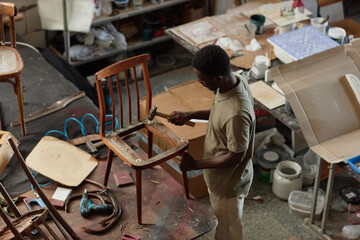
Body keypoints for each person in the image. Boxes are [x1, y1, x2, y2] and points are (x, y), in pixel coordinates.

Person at [167, 45, 255, 240]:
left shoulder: (236, 114)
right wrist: (190, 114)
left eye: (203, 80)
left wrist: (195, 165)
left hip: (227, 183)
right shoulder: (236, 82)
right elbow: (220, 112)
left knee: (228, 231)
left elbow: (235, 156)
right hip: (220, 177)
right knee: (225, 223)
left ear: (218, 79)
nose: (199, 82)